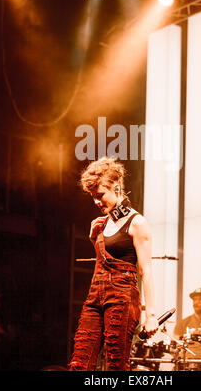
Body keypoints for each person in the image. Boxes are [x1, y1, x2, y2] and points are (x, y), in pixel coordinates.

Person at [69, 156, 158, 371]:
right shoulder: (100, 225)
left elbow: (146, 271)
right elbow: (104, 265)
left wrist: (151, 315)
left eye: (100, 195)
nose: (97, 202)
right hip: (94, 298)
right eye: (93, 197)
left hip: (122, 298)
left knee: (116, 365)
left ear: (116, 188)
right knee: (79, 363)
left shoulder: (137, 223)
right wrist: (94, 240)